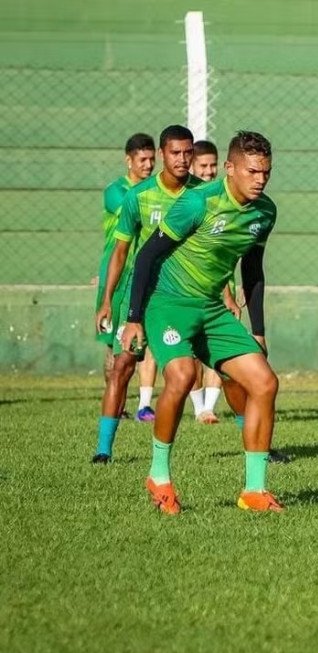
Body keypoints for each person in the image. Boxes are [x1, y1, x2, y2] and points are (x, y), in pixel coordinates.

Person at [120, 130, 282, 514]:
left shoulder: (265, 212)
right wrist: (134, 319)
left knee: (264, 382)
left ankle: (254, 491)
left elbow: (254, 271)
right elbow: (146, 255)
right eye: (252, 171)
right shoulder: (198, 202)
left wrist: (257, 329)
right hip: (168, 303)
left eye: (266, 173)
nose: (259, 179)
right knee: (179, 376)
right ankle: (159, 477)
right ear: (230, 168)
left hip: (211, 308)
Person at [92, 125, 199, 464]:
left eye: (188, 153)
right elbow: (121, 252)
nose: (182, 159)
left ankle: (261, 447)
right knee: (123, 365)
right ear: (164, 156)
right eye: (175, 153)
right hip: (140, 294)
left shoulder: (203, 194)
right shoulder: (137, 197)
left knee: (226, 365)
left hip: (186, 295)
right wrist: (109, 299)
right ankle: (104, 449)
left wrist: (227, 291)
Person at [95, 133, 156, 418]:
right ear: (128, 160)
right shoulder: (115, 191)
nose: (148, 165)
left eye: (152, 159)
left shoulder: (152, 192)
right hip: (117, 275)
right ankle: (114, 407)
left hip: (142, 276)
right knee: (112, 344)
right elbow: (134, 215)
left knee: (137, 342)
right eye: (142, 159)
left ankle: (140, 402)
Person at [186, 139, 241, 424]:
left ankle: (208, 407)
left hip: (219, 286)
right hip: (186, 290)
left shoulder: (224, 199)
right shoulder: (191, 201)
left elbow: (224, 253)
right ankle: (197, 407)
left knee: (220, 351)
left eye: (212, 165)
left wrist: (230, 292)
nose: (208, 171)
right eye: (202, 166)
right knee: (191, 353)